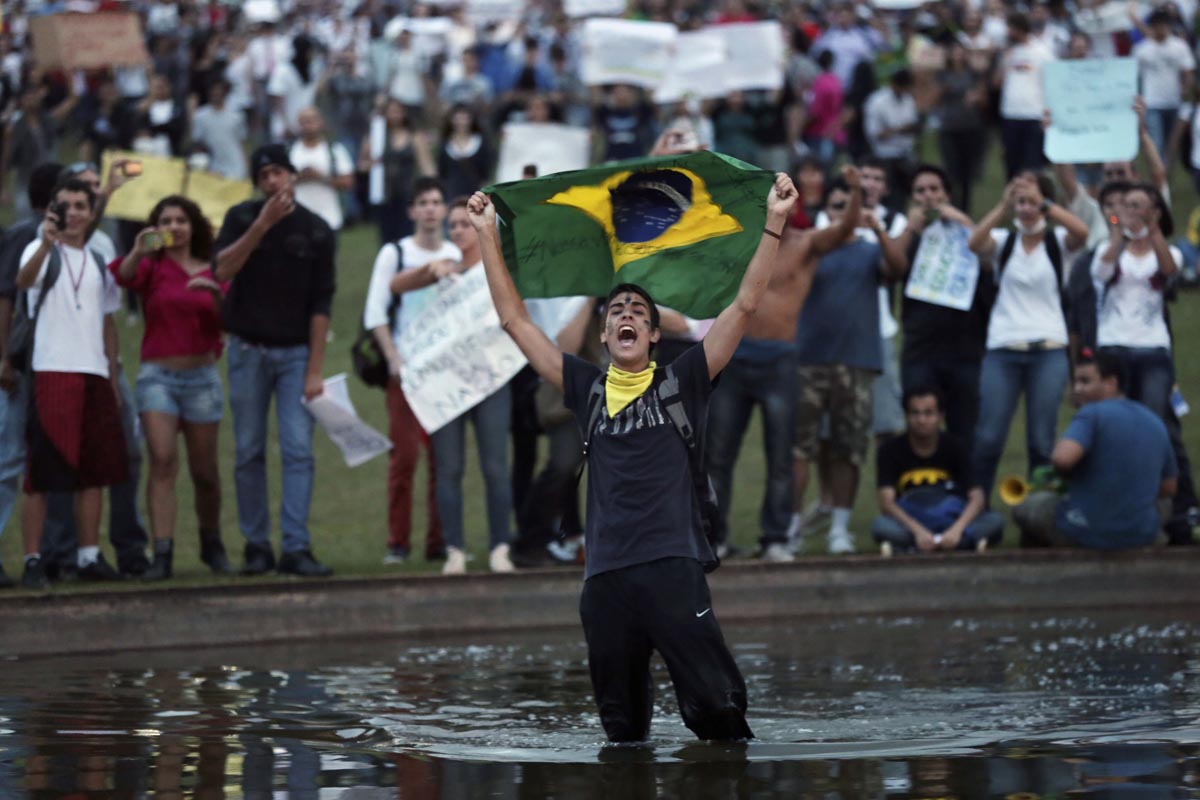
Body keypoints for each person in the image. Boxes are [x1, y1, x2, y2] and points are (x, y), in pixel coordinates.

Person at [464, 171, 799, 743]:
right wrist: (487, 236)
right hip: (606, 580)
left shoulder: (684, 379)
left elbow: (743, 306)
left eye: (640, 314)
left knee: (720, 711)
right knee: (621, 732)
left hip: (672, 568)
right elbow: (514, 322)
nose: (628, 315)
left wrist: (773, 223)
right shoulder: (585, 388)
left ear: (650, 337)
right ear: (604, 333)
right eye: (618, 309)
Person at [707, 165, 863, 564]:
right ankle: (715, 536)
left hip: (780, 360)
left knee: (781, 455)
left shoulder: (806, 243)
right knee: (719, 454)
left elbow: (844, 230)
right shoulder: (740, 245)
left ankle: (775, 537)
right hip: (737, 356)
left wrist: (856, 190)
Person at [214, 144, 336, 578]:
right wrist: (261, 226)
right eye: (264, 174)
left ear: (292, 176)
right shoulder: (240, 219)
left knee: (299, 449)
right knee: (248, 450)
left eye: (279, 172)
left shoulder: (319, 230)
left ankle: (296, 547)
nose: (272, 181)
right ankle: (256, 545)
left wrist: (315, 369)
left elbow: (323, 304)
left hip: (296, 354)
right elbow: (222, 271)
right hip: (247, 350)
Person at [15, 178, 128, 589]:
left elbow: (108, 320)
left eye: (83, 205)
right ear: (53, 210)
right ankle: (32, 559)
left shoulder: (98, 258)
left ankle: (88, 555)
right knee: (41, 472)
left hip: (94, 370)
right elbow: (22, 282)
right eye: (68, 206)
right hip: (52, 368)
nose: (76, 213)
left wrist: (113, 377)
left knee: (94, 471)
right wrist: (46, 242)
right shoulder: (39, 248)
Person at [111, 196, 232, 580]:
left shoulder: (212, 269)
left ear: (193, 225)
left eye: (181, 220)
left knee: (205, 473)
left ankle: (211, 543)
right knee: (162, 460)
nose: (175, 226)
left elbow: (225, 323)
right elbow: (123, 277)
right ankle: (161, 552)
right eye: (167, 220)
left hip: (202, 377)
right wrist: (137, 248)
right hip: (158, 376)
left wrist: (213, 296)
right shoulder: (152, 265)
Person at [968, 173, 1089, 501]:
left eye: (1031, 202)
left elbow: (1083, 232)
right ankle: (977, 507)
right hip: (1003, 347)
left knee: (1040, 438)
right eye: (1021, 202)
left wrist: (1046, 206)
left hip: (1048, 348)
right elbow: (973, 243)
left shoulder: (1057, 242)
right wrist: (1003, 206)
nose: (1026, 209)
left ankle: (1038, 512)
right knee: (990, 436)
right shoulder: (1004, 242)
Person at [362, 176, 457, 566]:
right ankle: (397, 542)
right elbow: (375, 312)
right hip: (404, 372)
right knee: (404, 459)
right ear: (412, 211)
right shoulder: (395, 253)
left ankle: (438, 541)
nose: (431, 208)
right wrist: (393, 360)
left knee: (443, 461)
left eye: (437, 201)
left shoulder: (456, 252)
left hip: (444, 373)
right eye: (424, 202)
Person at [1014, 351, 1176, 549]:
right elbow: (1169, 487)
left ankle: (1042, 571)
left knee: (1026, 506)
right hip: (1140, 534)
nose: (1076, 388)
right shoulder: (1154, 421)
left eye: (1085, 381)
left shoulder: (1091, 413)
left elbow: (1062, 459)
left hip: (1085, 532)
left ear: (1110, 383)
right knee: (1164, 506)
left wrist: (1069, 478)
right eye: (1075, 382)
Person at [431, 198, 516, 575]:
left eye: (464, 224)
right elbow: (401, 290)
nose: (459, 230)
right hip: (448, 384)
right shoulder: (440, 273)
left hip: (492, 378)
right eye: (453, 226)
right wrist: (430, 274)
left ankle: (500, 546)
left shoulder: (497, 270)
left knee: (495, 465)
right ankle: (454, 549)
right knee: (449, 467)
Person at [894, 165, 987, 450]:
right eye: (920, 191)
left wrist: (961, 219)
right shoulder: (908, 233)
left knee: (964, 429)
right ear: (912, 198)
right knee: (919, 427)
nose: (929, 196)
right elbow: (890, 266)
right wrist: (911, 228)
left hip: (965, 349)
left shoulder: (966, 230)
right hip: (921, 349)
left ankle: (962, 490)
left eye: (935, 189)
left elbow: (989, 255)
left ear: (947, 194)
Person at [872, 387, 1004, 555]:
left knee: (994, 521)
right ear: (906, 415)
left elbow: (977, 497)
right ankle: (960, 544)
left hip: (950, 519)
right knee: (880, 526)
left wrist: (957, 529)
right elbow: (887, 503)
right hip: (910, 520)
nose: (921, 420)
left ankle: (923, 546)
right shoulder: (889, 450)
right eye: (915, 413)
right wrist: (918, 531)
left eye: (928, 413)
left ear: (940, 416)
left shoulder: (956, 446)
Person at [995, 12, 1055, 179]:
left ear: (1019, 29)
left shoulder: (1042, 51)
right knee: (1012, 165)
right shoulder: (1008, 52)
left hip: (1033, 114)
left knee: (1032, 166)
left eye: (1010, 28)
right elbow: (996, 83)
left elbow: (1052, 80)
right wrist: (1004, 59)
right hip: (1010, 114)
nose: (1007, 32)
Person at [289, 107, 355, 232]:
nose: (308, 125)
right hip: (296, 219)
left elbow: (348, 182)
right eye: (304, 121)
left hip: (330, 218)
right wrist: (299, 177)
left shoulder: (335, 150)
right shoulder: (289, 152)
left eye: (311, 120)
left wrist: (320, 177)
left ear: (321, 122)